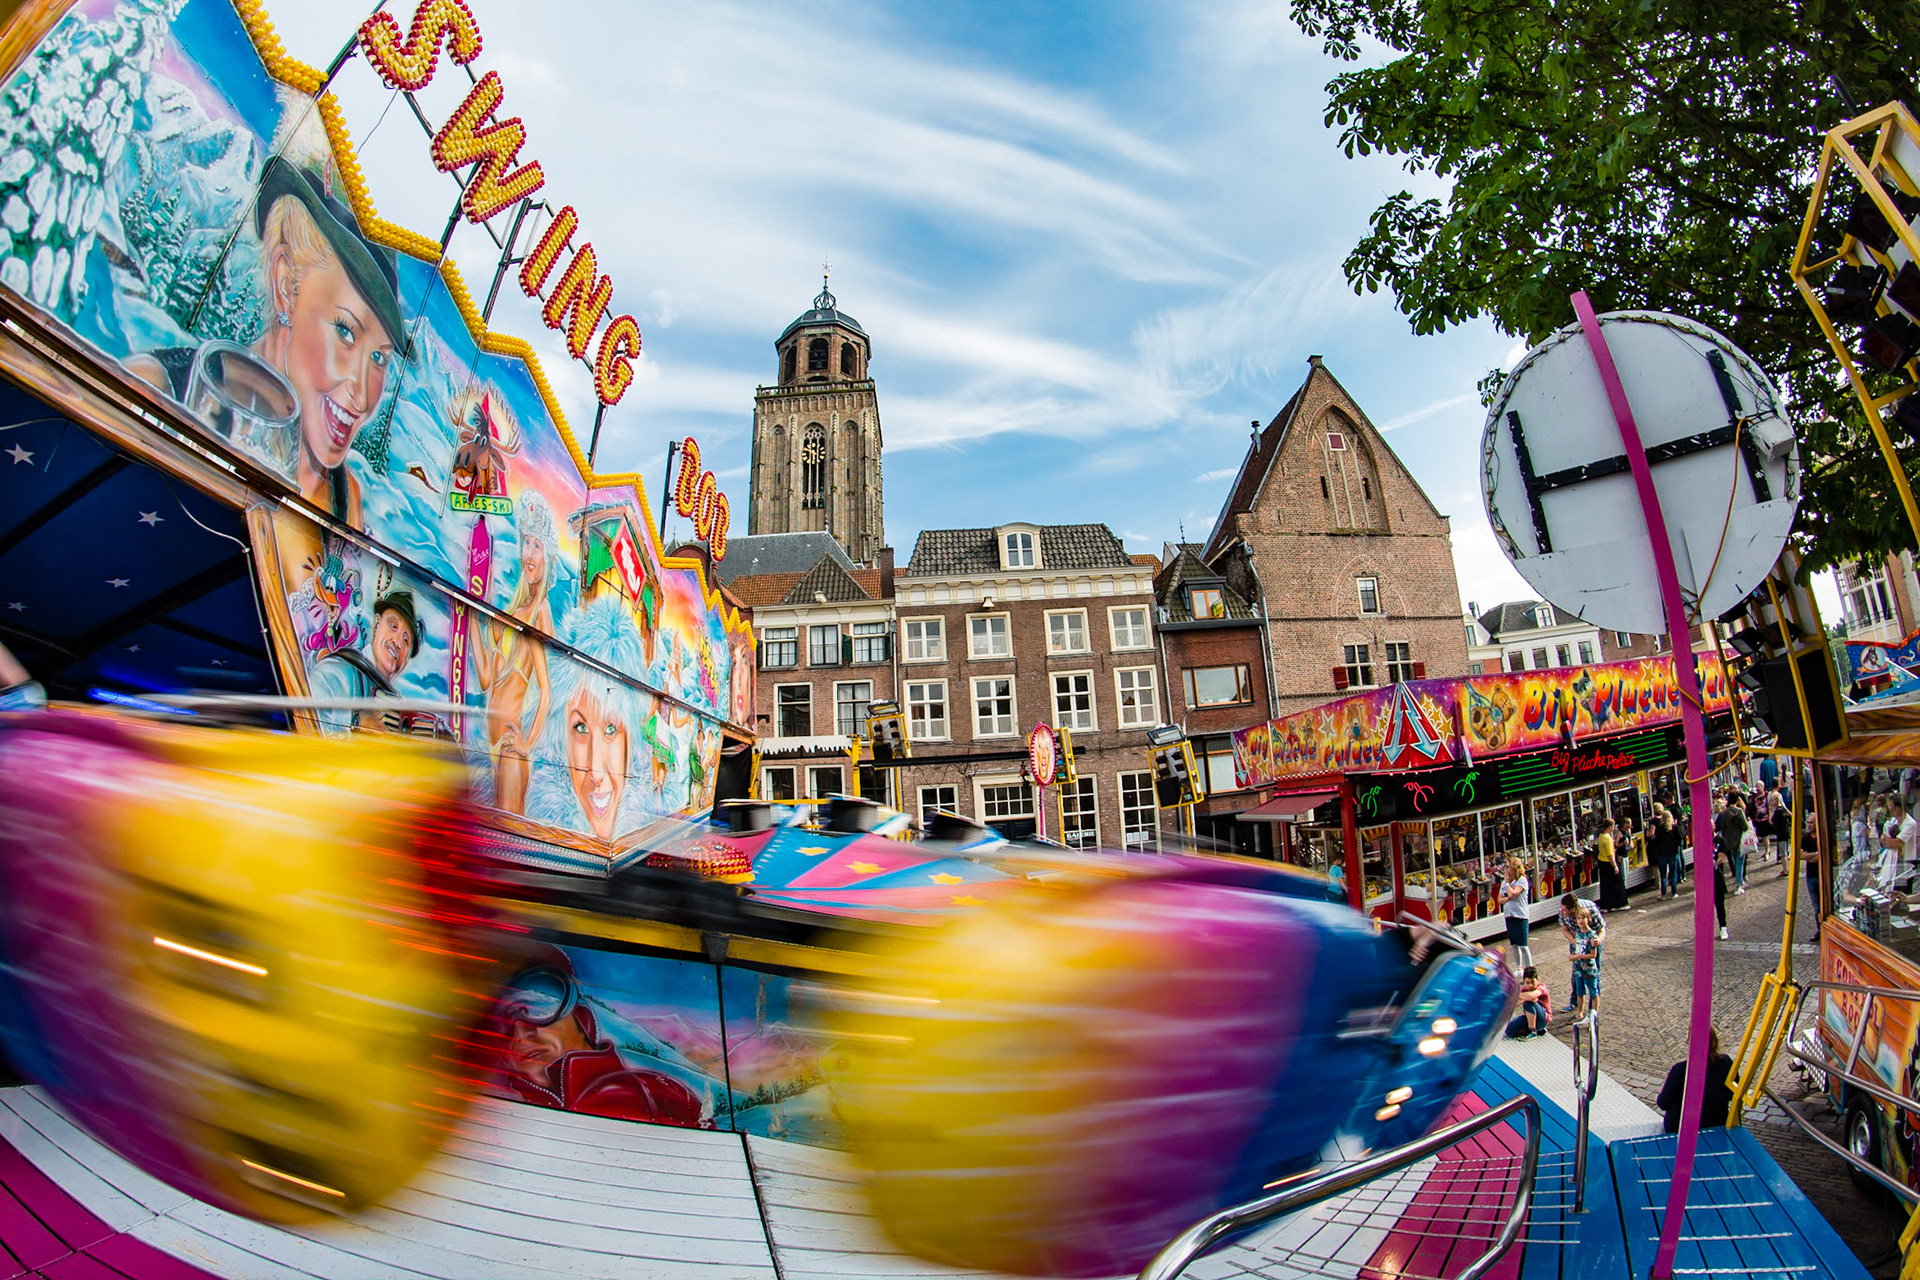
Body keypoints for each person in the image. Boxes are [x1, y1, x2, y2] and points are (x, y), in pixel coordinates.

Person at [127, 158, 402, 528]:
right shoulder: (157, 388)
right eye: (345, 331)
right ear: (287, 285)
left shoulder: (343, 497)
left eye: (379, 358)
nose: (363, 396)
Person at [471, 485, 555, 815]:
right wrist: (469, 619)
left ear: (547, 555)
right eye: (526, 543)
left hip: (509, 747)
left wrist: (526, 743)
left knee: (506, 842)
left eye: (537, 546)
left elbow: (545, 692)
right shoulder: (513, 608)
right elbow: (485, 679)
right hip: (492, 744)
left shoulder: (540, 610)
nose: (530, 554)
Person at [309, 589, 434, 736]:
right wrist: (354, 722)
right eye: (393, 626)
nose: (397, 641)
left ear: (407, 658)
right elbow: (309, 718)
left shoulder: (398, 704)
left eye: (406, 640)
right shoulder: (338, 672)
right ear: (377, 623)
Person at [1655, 1027, 1735, 1134]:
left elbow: (1664, 1103)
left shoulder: (1680, 1070)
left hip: (1682, 1129)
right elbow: (1732, 1093)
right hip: (1717, 1123)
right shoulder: (1726, 1063)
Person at [1568, 903, 1601, 1022]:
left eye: (1583, 918)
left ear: (1589, 919)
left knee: (1593, 992)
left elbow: (1593, 955)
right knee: (1580, 992)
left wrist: (1578, 956)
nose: (1581, 921)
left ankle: (1594, 1015)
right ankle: (1580, 1014)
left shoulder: (1592, 935)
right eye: (1579, 918)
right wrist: (1573, 955)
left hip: (1589, 969)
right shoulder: (1578, 934)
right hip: (1578, 968)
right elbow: (1577, 948)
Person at [1501, 856, 1533, 971]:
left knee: (1523, 944)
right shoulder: (1504, 882)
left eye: (1508, 866)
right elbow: (1500, 899)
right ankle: (1518, 967)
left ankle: (1529, 968)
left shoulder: (1522, 880)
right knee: (1514, 944)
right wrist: (1507, 898)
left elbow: (1513, 893)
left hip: (1520, 915)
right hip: (1509, 915)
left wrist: (1508, 884)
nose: (1506, 869)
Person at [1716, 790, 1751, 895]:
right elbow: (1745, 827)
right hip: (1740, 840)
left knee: (1736, 861)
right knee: (1740, 862)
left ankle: (1739, 880)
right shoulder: (1739, 811)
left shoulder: (1725, 813)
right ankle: (1738, 884)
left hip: (1729, 841)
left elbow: (1723, 828)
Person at [1506, 967, 1552, 1039]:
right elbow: (1516, 1003)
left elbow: (1532, 995)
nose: (1530, 985)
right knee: (1509, 1031)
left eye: (1533, 982)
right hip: (1530, 1017)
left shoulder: (1541, 988)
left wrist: (1519, 996)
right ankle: (1537, 1031)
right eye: (1527, 983)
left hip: (1543, 1018)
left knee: (1528, 1004)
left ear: (1537, 980)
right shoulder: (1524, 989)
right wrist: (1525, 998)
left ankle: (1533, 1031)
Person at [1596, 817, 1630, 910]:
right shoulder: (1608, 838)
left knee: (1606, 884)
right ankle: (1619, 903)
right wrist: (1615, 866)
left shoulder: (1600, 836)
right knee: (1618, 883)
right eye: (1613, 826)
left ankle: (1607, 905)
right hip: (1608, 862)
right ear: (1610, 826)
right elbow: (1610, 854)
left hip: (1601, 861)